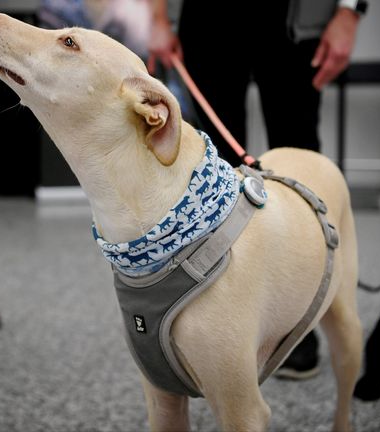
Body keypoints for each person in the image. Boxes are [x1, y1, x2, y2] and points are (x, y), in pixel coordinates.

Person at [149, 0, 366, 378]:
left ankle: (298, 320)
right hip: (210, 20)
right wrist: (156, 16)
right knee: (214, 166)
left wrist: (349, 12)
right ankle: (221, 314)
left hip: (295, 19)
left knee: (300, 160)